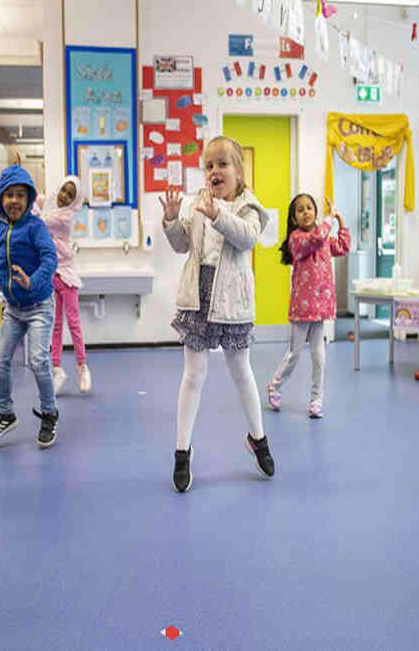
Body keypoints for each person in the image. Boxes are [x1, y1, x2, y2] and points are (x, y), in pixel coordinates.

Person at [161, 135, 275, 493]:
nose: (214, 171)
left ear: (239, 170)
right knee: (193, 375)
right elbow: (185, 245)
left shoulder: (249, 206)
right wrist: (170, 221)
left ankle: (258, 438)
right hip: (198, 296)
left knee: (241, 371)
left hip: (232, 299)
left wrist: (218, 214)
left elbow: (247, 238)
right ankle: (182, 451)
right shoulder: (199, 201)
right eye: (209, 165)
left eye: (223, 164)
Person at [0, 165, 59, 447]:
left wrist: (32, 281)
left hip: (39, 304)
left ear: (29, 199)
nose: (14, 200)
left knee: (38, 360)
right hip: (13, 308)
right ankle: (5, 413)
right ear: (1, 200)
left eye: (20, 195)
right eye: (9, 195)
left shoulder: (36, 227)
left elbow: (50, 260)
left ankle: (49, 413)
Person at [268, 194, 350, 418]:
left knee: (319, 357)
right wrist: (328, 219)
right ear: (294, 218)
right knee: (294, 353)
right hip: (302, 310)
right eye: (300, 210)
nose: (306, 212)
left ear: (315, 212)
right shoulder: (298, 239)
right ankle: (274, 387)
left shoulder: (322, 237)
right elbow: (316, 238)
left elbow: (342, 247)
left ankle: (316, 399)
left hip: (320, 309)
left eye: (309, 208)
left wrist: (340, 221)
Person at [37, 175, 91, 395]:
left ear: (74, 200)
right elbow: (37, 198)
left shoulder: (64, 217)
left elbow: (40, 220)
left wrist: (34, 204)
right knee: (55, 325)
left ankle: (82, 367)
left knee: (74, 323)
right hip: (52, 274)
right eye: (63, 191)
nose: (64, 196)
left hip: (67, 276)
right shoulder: (50, 205)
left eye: (70, 195)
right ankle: (57, 369)